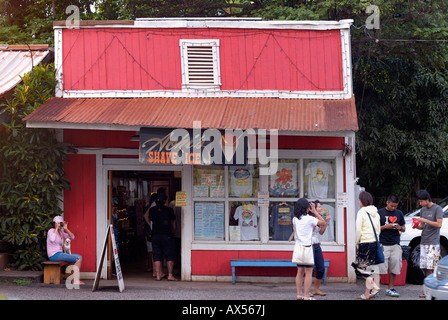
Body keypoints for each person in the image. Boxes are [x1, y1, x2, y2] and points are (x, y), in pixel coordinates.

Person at [293, 198, 326, 300]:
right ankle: (306, 296)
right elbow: (323, 222)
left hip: (298, 248)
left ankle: (299, 294)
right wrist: (314, 211)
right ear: (307, 208)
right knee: (308, 273)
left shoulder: (294, 219)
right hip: (308, 248)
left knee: (299, 272)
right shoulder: (310, 219)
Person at [351, 191, 381, 300]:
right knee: (368, 270)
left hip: (364, 243)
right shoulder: (376, 213)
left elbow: (358, 230)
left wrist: (356, 242)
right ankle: (366, 294)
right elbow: (378, 230)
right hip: (374, 243)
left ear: (361, 201)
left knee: (359, 269)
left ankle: (374, 287)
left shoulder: (361, 212)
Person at [415, 190, 443, 298]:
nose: (420, 204)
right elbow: (422, 226)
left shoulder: (437, 209)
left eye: (421, 201)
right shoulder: (423, 210)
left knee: (433, 267)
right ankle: (427, 291)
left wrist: (425, 220)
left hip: (433, 243)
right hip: (424, 241)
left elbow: (439, 224)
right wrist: (417, 225)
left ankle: (434, 291)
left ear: (427, 200)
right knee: (426, 267)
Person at [378, 194, 406, 297]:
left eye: (395, 206)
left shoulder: (399, 213)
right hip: (383, 243)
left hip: (395, 243)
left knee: (395, 266)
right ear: (387, 202)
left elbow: (404, 228)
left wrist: (400, 228)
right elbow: (376, 228)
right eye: (391, 206)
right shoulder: (380, 212)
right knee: (380, 268)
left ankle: (390, 288)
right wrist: (386, 226)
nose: (393, 208)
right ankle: (376, 288)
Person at [147, 192, 177, 281]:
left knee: (156, 255)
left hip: (155, 235)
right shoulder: (169, 210)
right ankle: (170, 275)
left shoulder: (152, 210)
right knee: (169, 255)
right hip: (167, 235)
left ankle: (158, 276)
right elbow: (172, 221)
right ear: (165, 200)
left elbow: (150, 219)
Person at [46, 216, 84, 285]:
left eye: (61, 223)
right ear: (54, 223)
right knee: (78, 258)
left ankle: (74, 279)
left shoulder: (61, 233)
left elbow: (72, 237)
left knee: (79, 257)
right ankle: (75, 281)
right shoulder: (51, 231)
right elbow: (52, 239)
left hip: (60, 253)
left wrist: (66, 229)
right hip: (54, 254)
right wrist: (56, 228)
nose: (60, 225)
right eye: (59, 223)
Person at [310, 200, 331, 296]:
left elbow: (321, 232)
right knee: (311, 269)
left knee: (321, 268)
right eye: (319, 207)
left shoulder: (318, 219)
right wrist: (322, 220)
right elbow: (311, 232)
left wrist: (325, 222)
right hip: (309, 246)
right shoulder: (310, 219)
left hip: (317, 246)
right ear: (313, 209)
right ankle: (307, 291)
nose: (321, 208)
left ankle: (316, 289)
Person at [144, 192, 158, 275]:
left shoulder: (149, 206)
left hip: (148, 231)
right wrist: (151, 225)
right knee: (151, 250)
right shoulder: (151, 207)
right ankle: (151, 267)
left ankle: (152, 267)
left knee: (151, 250)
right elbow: (145, 216)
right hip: (149, 231)